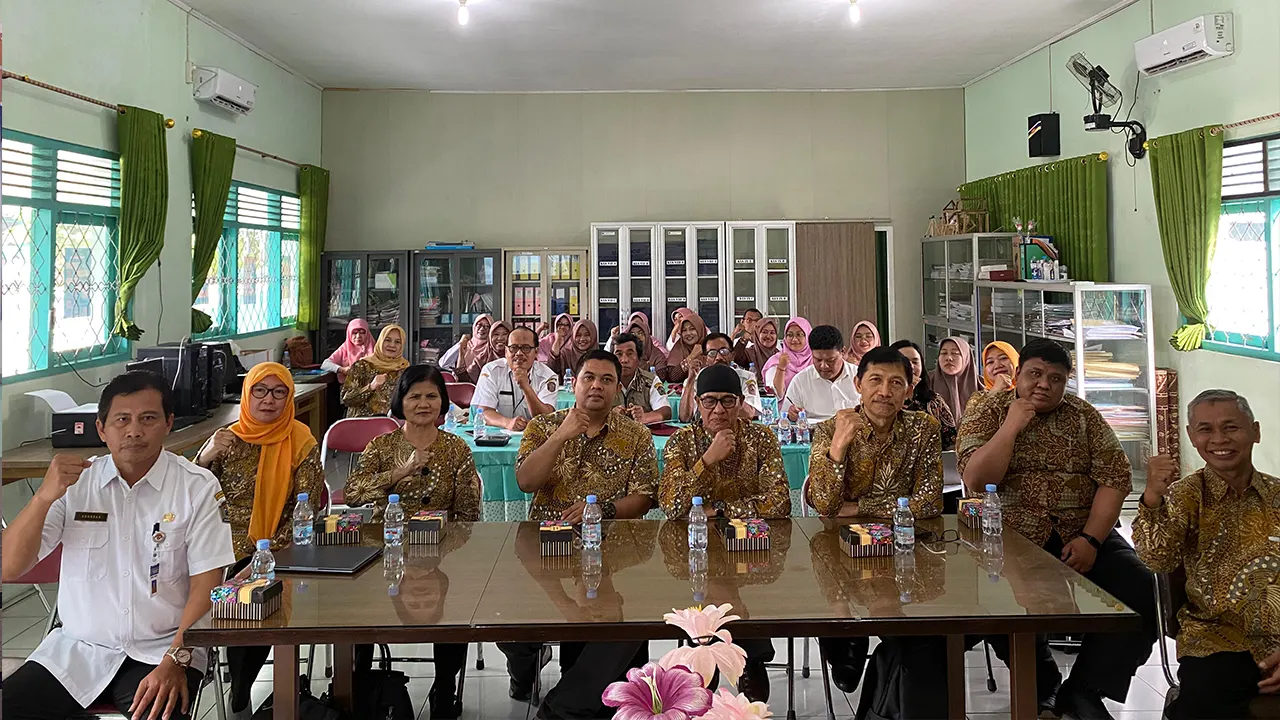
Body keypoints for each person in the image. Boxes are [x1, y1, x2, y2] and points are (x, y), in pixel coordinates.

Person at [2, 371, 234, 720]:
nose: (134, 431)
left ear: (169, 423)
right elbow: (9, 566)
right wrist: (43, 498)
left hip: (163, 651)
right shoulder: (76, 485)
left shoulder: (196, 487)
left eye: (148, 418)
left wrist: (176, 657)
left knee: (161, 714)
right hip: (78, 651)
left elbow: (207, 584)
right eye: (122, 420)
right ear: (101, 429)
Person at [958, 339, 1157, 718]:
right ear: (1017, 375)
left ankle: (1085, 687)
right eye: (1034, 374)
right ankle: (1043, 680)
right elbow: (977, 477)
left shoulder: (1083, 416)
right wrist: (1012, 426)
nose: (1044, 385)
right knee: (1004, 601)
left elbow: (1115, 477)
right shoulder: (987, 409)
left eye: (1056, 378)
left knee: (1142, 588)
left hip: (1080, 529)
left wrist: (1091, 539)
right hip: (1008, 535)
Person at [501, 349, 657, 719]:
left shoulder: (636, 437)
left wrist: (604, 510)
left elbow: (646, 496)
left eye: (607, 380)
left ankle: (562, 707)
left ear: (618, 389)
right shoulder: (544, 427)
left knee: (627, 624)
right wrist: (561, 435)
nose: (597, 386)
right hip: (544, 552)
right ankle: (526, 671)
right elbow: (525, 481)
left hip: (611, 554)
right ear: (574, 383)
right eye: (589, 377)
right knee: (504, 621)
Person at [1133, 390, 1280, 720]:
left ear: (1255, 432)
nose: (1219, 439)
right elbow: (1157, 560)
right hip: (1217, 641)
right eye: (1205, 430)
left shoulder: (1277, 496)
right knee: (1209, 694)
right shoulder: (1187, 495)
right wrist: (1153, 498)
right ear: (1190, 436)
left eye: (1231, 427)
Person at [804, 346, 943, 695]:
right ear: (858, 384)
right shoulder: (830, 428)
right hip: (841, 547)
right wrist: (838, 447)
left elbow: (929, 501)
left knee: (926, 639)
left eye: (896, 383)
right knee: (839, 596)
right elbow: (823, 504)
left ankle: (894, 670)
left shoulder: (923, 429)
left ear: (909, 390)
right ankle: (851, 646)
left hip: (907, 545)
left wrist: (858, 505)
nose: (884, 391)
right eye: (875, 381)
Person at [344, 364, 480, 718]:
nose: (423, 403)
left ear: (443, 402)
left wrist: (444, 555)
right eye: (414, 396)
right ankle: (361, 686)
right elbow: (354, 495)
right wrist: (400, 471)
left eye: (431, 396)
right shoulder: (381, 446)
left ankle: (445, 689)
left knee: (453, 606)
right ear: (400, 401)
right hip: (385, 550)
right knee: (358, 609)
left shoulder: (456, 448)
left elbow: (468, 515)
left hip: (443, 552)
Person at [193, 363, 326, 719]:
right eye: (260, 391)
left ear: (289, 397)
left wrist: (265, 555)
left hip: (280, 548)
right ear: (247, 394)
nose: (269, 399)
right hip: (221, 544)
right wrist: (205, 457)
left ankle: (239, 695)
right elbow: (190, 497)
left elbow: (306, 510)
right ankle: (225, 685)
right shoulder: (225, 438)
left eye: (279, 391)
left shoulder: (301, 441)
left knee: (252, 595)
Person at [659, 362, 789, 702]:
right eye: (710, 401)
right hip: (694, 553)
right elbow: (672, 506)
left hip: (753, 552)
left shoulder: (761, 438)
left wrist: (718, 510)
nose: (718, 409)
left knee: (741, 586)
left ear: (741, 401)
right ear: (698, 402)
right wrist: (707, 460)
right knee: (708, 588)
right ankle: (719, 667)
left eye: (728, 400)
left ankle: (746, 662)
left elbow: (779, 502)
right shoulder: (682, 442)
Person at [472, 326, 560, 431]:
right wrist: (508, 423)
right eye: (513, 348)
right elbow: (484, 412)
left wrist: (526, 388)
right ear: (506, 351)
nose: (519, 353)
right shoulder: (491, 371)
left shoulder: (548, 376)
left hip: (536, 438)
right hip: (499, 436)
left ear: (536, 352)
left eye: (526, 348)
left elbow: (546, 418)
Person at [780, 324, 861, 423]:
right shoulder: (801, 380)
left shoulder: (860, 376)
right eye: (818, 360)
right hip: (813, 435)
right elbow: (784, 421)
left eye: (830, 360)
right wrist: (791, 416)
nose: (824, 366)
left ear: (843, 352)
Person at [676, 333, 761, 423]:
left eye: (724, 352)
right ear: (705, 359)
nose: (719, 357)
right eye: (712, 353)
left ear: (732, 355)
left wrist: (726, 381)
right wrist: (690, 380)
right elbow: (685, 417)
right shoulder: (696, 378)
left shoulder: (746, 377)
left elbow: (748, 415)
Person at [889, 339, 957, 450]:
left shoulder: (934, 401)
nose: (910, 366)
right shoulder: (882, 400)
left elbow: (951, 441)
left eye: (915, 362)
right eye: (904, 361)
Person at [341, 323, 410, 417]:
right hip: (361, 424)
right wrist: (371, 387)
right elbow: (346, 400)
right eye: (387, 340)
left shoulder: (404, 369)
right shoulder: (362, 366)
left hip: (393, 425)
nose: (392, 345)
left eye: (398, 342)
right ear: (380, 341)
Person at [611, 332, 672, 424]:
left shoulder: (650, 381)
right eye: (619, 354)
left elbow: (666, 411)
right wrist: (609, 415)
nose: (624, 360)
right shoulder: (604, 381)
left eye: (630, 354)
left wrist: (645, 417)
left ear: (639, 359)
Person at [927, 336, 979, 423]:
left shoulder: (982, 386)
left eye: (955, 353)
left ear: (966, 357)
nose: (949, 358)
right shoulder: (927, 381)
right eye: (943, 353)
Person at [762, 317, 813, 400]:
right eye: (790, 335)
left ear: (808, 336)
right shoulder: (776, 360)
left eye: (799, 334)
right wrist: (781, 368)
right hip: (784, 411)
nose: (794, 339)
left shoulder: (816, 360)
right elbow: (775, 395)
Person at [659, 308, 707, 384]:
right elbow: (672, 377)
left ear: (700, 329)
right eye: (684, 330)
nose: (688, 333)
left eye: (692, 329)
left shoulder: (710, 346)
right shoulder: (679, 348)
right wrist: (691, 357)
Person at [321, 318, 375, 383]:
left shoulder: (375, 348)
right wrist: (342, 369)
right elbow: (325, 364)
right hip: (349, 388)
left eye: (362, 333)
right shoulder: (345, 348)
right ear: (349, 333)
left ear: (367, 334)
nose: (358, 336)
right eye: (354, 333)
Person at [459, 319, 511, 384]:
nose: (500, 338)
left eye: (504, 334)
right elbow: (466, 383)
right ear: (490, 337)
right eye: (496, 334)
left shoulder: (517, 357)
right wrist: (461, 356)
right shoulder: (481, 359)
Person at [734, 316, 778, 383]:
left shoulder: (779, 355)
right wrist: (747, 335)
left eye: (772, 333)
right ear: (757, 334)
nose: (768, 336)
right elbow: (736, 357)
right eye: (764, 332)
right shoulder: (750, 353)